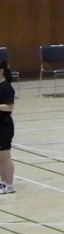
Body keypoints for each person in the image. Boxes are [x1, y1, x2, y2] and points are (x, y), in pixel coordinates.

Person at [0, 61, 15, 195]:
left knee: (5, 156)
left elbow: (9, 107)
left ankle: (9, 185)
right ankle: (3, 183)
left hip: (4, 126)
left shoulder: (6, 87)